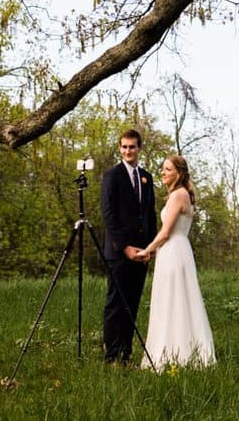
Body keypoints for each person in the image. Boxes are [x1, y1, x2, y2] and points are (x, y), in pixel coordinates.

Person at [139, 154, 215, 370]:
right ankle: (182, 350)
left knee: (173, 300)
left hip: (173, 250)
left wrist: (147, 250)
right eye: (163, 168)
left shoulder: (177, 196)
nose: (163, 173)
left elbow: (165, 233)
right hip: (178, 250)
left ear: (179, 173)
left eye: (168, 169)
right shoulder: (184, 195)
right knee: (178, 299)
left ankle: (174, 354)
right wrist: (156, 250)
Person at [100, 128, 156, 364]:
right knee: (116, 304)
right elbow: (108, 215)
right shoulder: (112, 176)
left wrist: (150, 247)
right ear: (119, 148)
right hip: (119, 252)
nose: (128, 151)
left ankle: (126, 354)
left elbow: (150, 214)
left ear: (139, 148)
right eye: (124, 147)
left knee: (132, 304)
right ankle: (111, 356)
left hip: (142, 252)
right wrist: (125, 247)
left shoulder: (146, 177)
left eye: (132, 147)